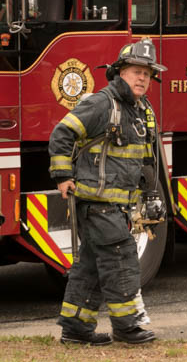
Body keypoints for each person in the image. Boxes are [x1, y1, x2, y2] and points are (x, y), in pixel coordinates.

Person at [48, 37, 166, 345]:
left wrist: (148, 195)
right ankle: (128, 327)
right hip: (96, 201)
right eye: (136, 71)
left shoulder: (138, 110)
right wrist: (62, 175)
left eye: (147, 73)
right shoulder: (101, 103)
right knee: (122, 258)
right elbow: (62, 133)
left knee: (89, 266)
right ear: (119, 72)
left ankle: (76, 329)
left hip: (116, 204)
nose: (143, 77)